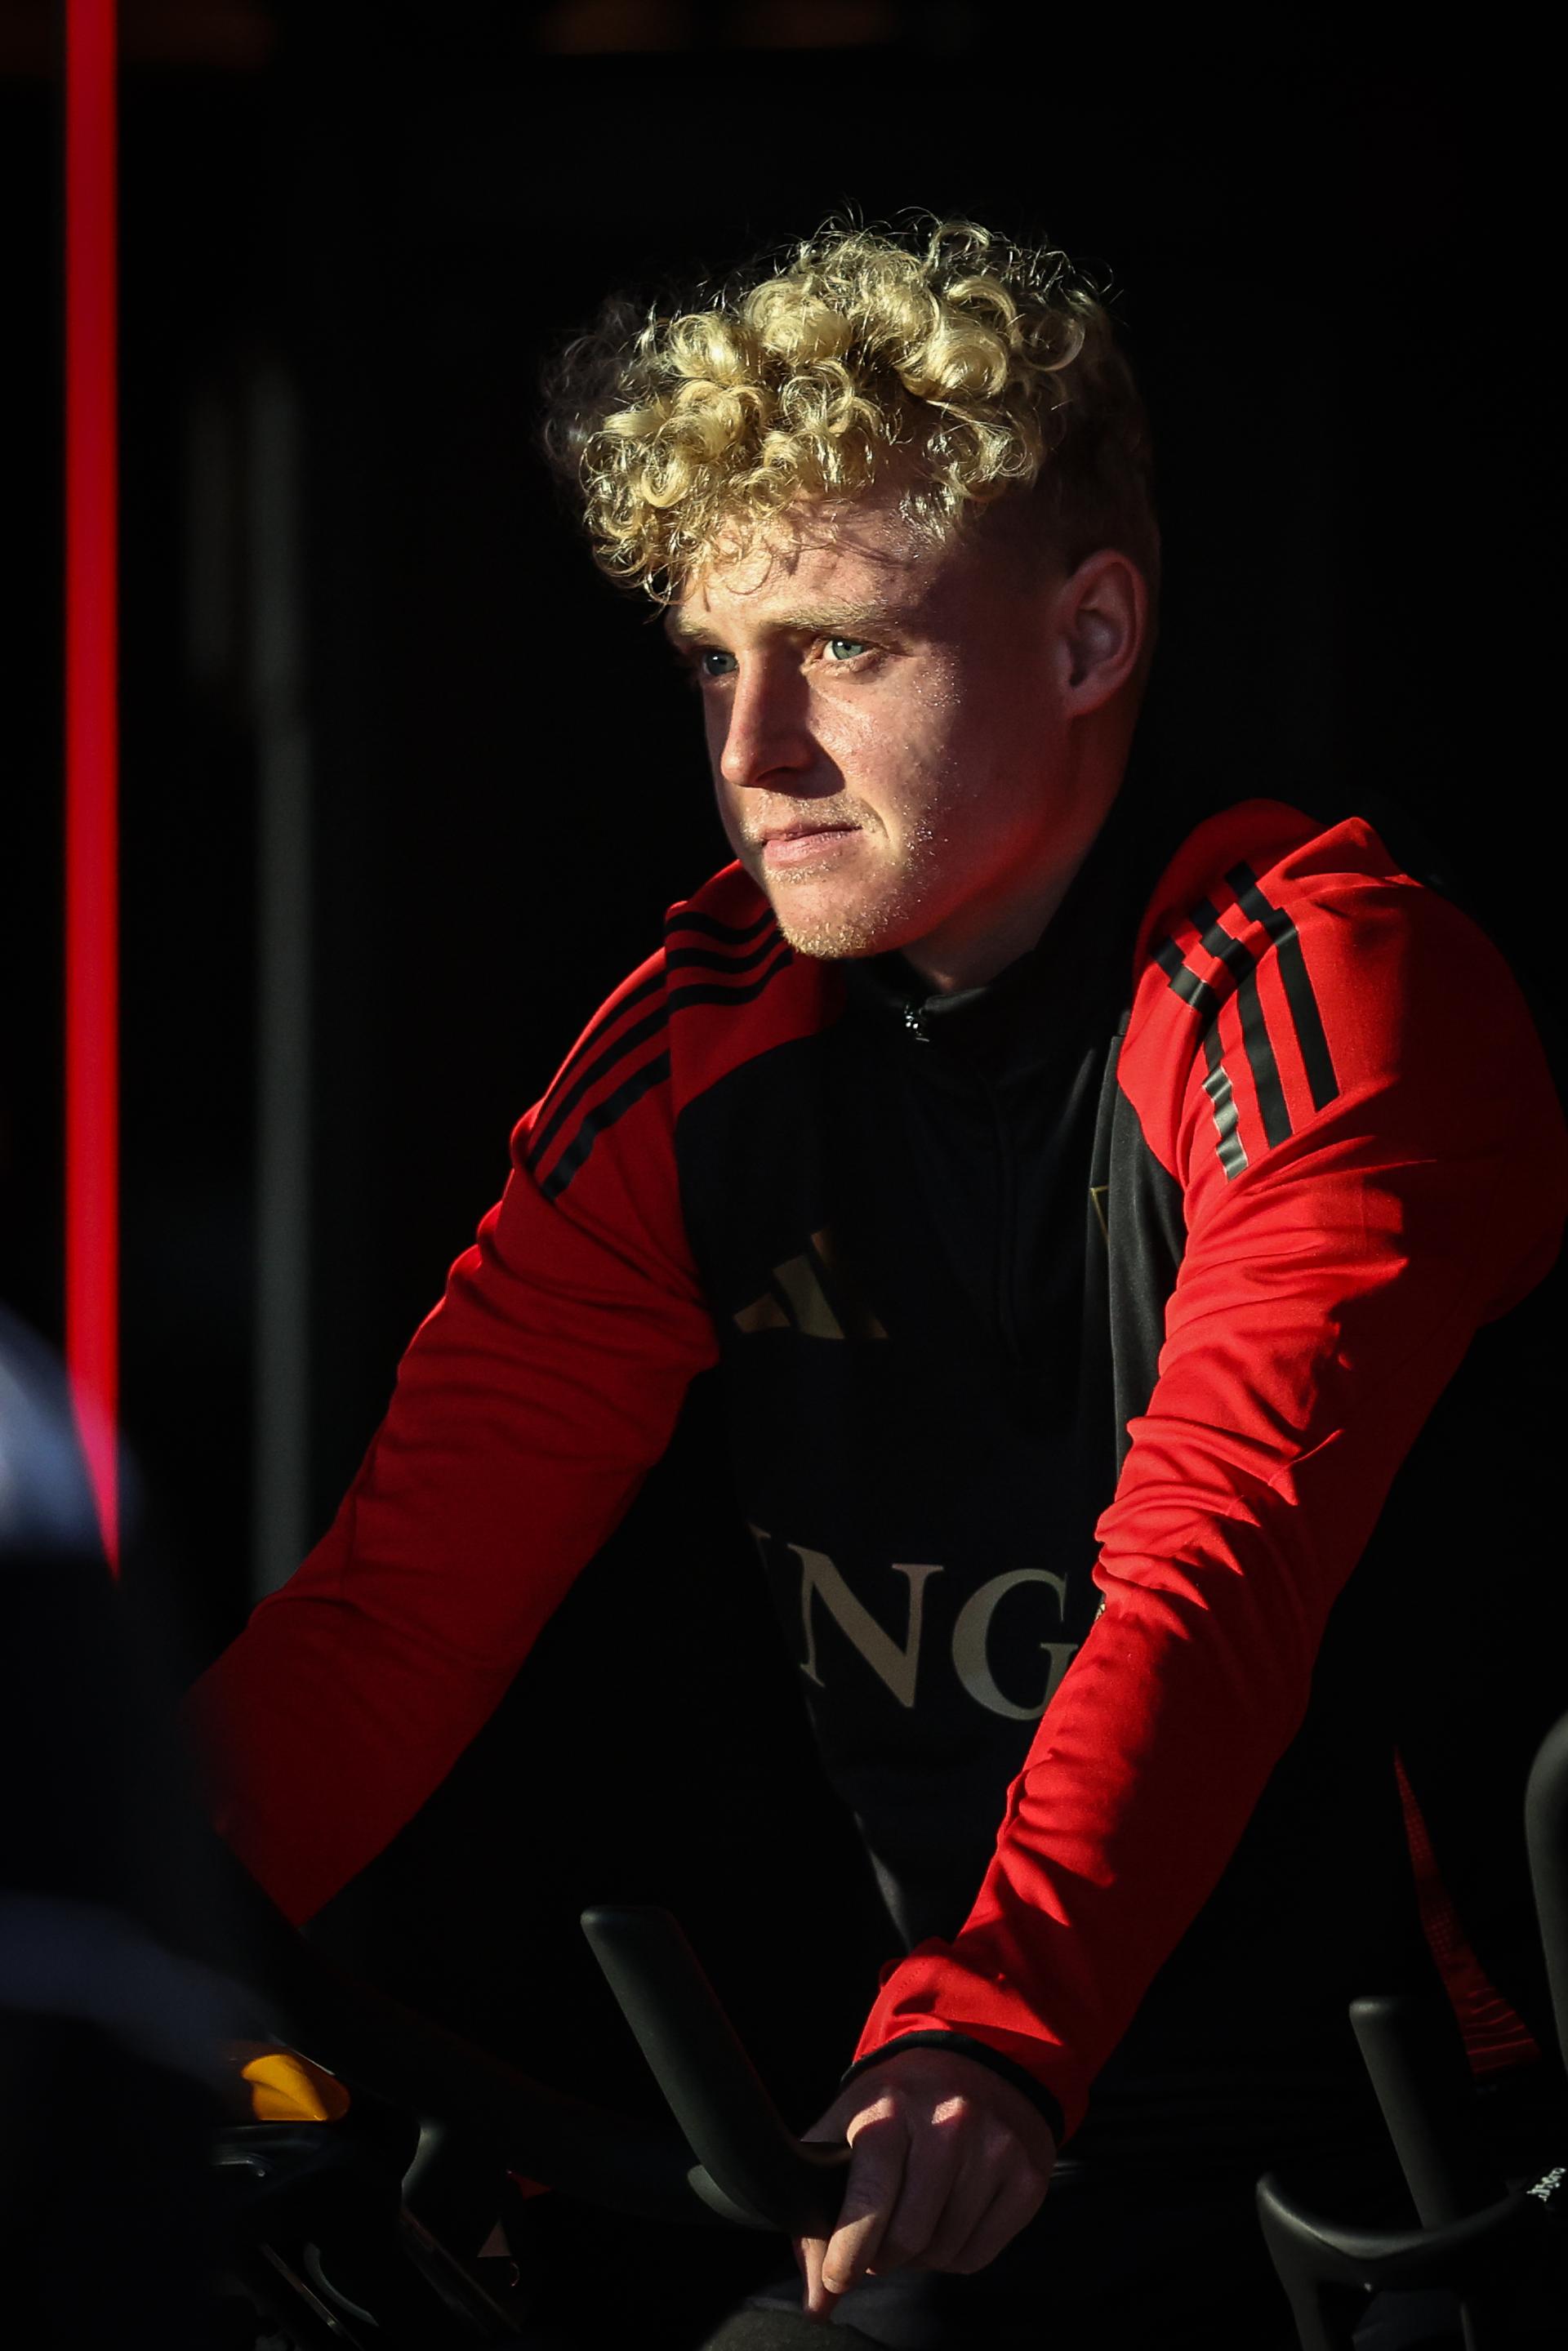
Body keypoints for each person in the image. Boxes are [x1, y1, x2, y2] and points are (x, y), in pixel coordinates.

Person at [185, 220, 1568, 2347]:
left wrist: (994, 2016)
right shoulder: (703, 1039)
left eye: (838, 647)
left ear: (1092, 635)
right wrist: (94, 1928)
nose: (754, 749)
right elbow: (392, 1613)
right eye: (710, 662)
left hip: (1441, 2154)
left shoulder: (1327, 985)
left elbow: (1214, 1569)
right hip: (975, 2126)